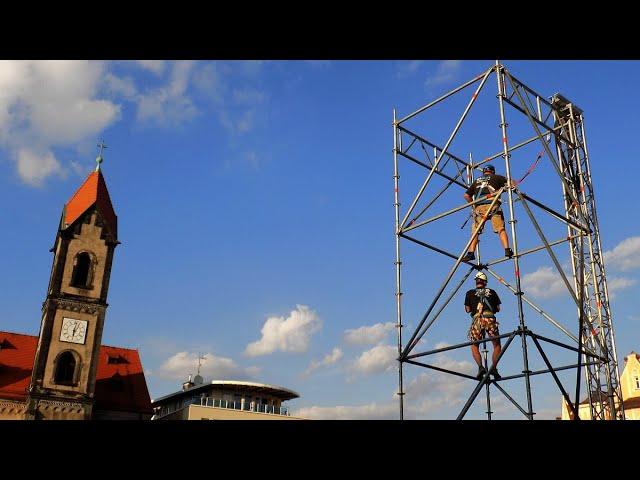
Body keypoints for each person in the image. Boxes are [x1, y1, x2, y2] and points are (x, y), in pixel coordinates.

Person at [462, 164, 513, 262]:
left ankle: (470, 253)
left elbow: (466, 196)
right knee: (500, 229)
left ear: (484, 172)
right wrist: (510, 185)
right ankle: (507, 249)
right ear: (493, 171)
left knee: (475, 232)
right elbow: (511, 183)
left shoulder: (477, 180)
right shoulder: (497, 177)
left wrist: (473, 205)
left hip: (479, 208)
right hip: (493, 205)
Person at [464, 271, 502, 380]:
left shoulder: (469, 293)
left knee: (474, 345)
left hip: (477, 320)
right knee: (497, 345)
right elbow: (498, 309)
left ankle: (480, 367)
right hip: (489, 319)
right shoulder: (492, 292)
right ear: (485, 282)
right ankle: (494, 368)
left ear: (476, 282)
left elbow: (467, 310)